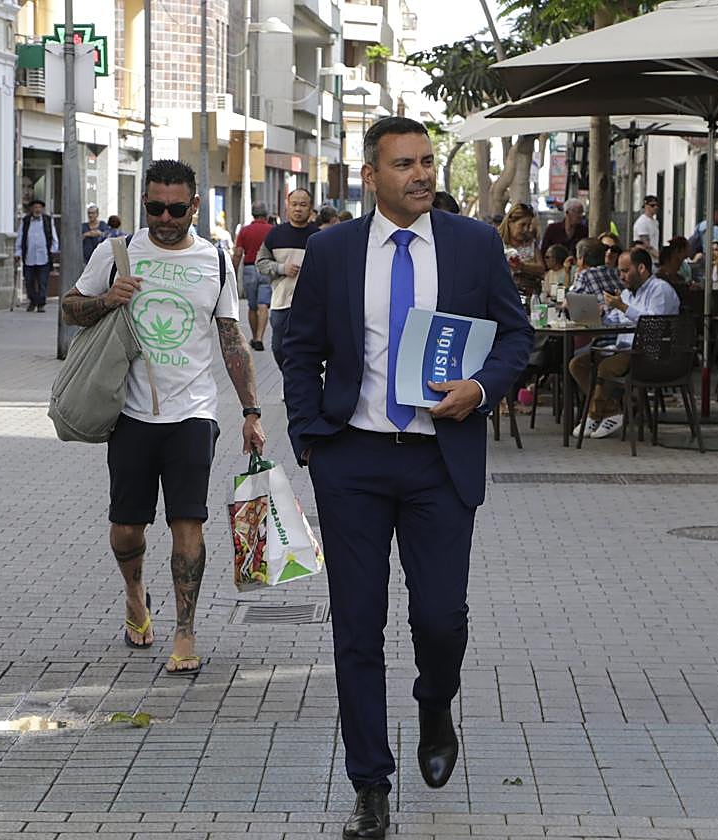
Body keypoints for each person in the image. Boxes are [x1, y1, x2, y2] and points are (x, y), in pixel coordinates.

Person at [281, 116, 532, 840]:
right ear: (371, 177)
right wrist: (310, 440)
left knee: (440, 619)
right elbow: (300, 350)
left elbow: (515, 336)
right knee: (357, 628)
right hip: (352, 459)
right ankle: (370, 784)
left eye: (427, 162)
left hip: (438, 458)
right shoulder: (330, 251)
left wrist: (480, 390)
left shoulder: (473, 245)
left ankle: (433, 701)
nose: (422, 174)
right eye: (405, 165)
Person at [61, 158, 265, 676]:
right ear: (145, 204)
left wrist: (251, 411)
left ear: (194, 206)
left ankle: (185, 630)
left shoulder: (216, 260)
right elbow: (70, 307)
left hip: (193, 413)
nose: (166, 218)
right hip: (130, 414)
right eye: (156, 207)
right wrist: (108, 299)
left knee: (187, 523)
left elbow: (230, 338)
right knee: (127, 530)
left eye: (177, 208)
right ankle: (135, 597)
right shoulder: (119, 253)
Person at [568, 248, 680, 439]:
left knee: (606, 367)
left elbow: (654, 324)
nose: (621, 276)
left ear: (642, 268)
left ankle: (594, 414)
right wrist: (598, 314)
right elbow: (615, 320)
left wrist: (622, 307)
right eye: (620, 271)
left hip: (650, 352)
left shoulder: (660, 290)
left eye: (626, 271)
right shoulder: (628, 294)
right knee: (578, 364)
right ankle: (611, 411)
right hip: (623, 350)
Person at [256, 188, 316, 368]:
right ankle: (288, 378)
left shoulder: (319, 237)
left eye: (303, 205)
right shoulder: (275, 235)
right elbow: (261, 263)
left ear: (310, 208)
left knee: (307, 349)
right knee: (278, 348)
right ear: (287, 208)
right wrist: (282, 268)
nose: (298, 209)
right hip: (281, 302)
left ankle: (297, 384)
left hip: (311, 305)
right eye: (294, 204)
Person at [233, 201, 273, 352]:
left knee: (252, 305)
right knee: (263, 304)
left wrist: (234, 271)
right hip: (266, 268)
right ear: (266, 214)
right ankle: (259, 338)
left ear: (253, 214)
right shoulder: (271, 230)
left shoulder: (245, 231)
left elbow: (238, 253)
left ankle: (254, 335)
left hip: (249, 268)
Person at [14, 198, 59, 313]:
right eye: (35, 207)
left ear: (42, 209)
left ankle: (41, 304)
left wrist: (54, 250)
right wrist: (18, 252)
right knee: (29, 281)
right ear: (31, 209)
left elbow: (53, 236)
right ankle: (33, 301)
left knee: (42, 282)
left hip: (43, 256)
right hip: (29, 256)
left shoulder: (47, 220)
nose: (37, 209)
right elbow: (20, 237)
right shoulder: (26, 221)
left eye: (39, 207)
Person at [497, 203, 545, 297]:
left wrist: (522, 266)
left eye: (528, 225)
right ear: (510, 222)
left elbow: (541, 269)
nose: (526, 229)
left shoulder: (531, 242)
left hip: (529, 294)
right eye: (522, 225)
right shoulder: (497, 242)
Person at [632, 195, 661, 259]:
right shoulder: (642, 222)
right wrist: (660, 257)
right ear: (646, 206)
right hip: (644, 258)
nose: (655, 207)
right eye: (652, 205)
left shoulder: (655, 222)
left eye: (657, 205)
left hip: (653, 259)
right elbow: (646, 244)